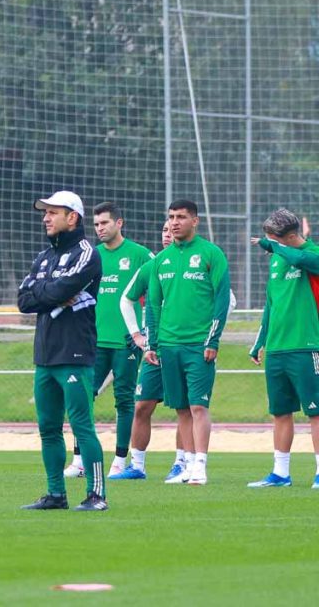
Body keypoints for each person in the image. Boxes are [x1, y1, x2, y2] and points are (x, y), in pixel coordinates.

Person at [18, 191, 107, 512]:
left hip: (75, 354)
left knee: (82, 427)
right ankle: (56, 494)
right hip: (44, 356)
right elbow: (24, 300)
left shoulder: (87, 253)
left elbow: (60, 288)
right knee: (49, 428)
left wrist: (49, 291)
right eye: (45, 212)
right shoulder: (43, 257)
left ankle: (97, 495)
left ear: (72, 217)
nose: (45, 217)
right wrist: (51, 293)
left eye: (53, 212)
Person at [64, 202, 153, 479]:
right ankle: (79, 460)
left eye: (105, 223)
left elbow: (159, 293)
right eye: (97, 224)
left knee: (124, 401)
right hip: (93, 342)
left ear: (119, 223)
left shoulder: (140, 255)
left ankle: (119, 460)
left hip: (126, 342)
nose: (100, 228)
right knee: (82, 397)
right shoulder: (93, 256)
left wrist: (146, 331)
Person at [145, 199, 230, 486]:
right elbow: (153, 305)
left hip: (199, 345)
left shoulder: (211, 254)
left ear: (195, 220)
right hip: (168, 346)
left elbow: (221, 301)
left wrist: (213, 339)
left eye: (181, 217)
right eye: (171, 217)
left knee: (198, 407)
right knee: (181, 408)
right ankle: (188, 464)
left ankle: (201, 466)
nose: (174, 222)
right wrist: (152, 344)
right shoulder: (161, 259)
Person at [247, 209, 319, 489]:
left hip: (307, 345)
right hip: (277, 349)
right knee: (280, 412)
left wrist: (273, 245)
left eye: (276, 240)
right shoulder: (278, 258)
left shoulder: (312, 254)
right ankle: (280, 473)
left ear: (290, 236)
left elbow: (300, 257)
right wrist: (260, 341)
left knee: (315, 412)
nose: (270, 245)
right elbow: (271, 305)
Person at [115, 220, 188, 481]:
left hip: (183, 347)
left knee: (184, 408)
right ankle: (137, 466)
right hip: (154, 350)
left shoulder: (194, 262)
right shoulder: (151, 266)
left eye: (172, 230)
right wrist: (137, 334)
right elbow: (126, 298)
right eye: (164, 231)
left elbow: (228, 299)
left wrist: (207, 333)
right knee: (142, 406)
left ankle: (182, 462)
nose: (168, 235)